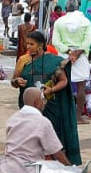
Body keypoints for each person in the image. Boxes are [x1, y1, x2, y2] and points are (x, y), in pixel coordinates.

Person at [13, 30, 80, 164]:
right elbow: (14, 80)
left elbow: (64, 81)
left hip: (51, 107)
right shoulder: (23, 60)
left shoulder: (54, 61)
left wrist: (51, 89)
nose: (28, 47)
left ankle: (55, 163)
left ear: (41, 45)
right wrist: (17, 82)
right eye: (27, 44)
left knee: (52, 136)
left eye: (31, 44)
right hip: (30, 106)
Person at [0, 86, 71, 173]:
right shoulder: (43, 122)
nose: (45, 102)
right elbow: (57, 153)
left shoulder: (13, 119)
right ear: (36, 103)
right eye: (43, 99)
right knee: (58, 171)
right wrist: (71, 169)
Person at [53, 0, 91, 123]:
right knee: (81, 86)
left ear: (66, 8)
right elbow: (88, 41)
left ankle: (62, 115)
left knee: (62, 84)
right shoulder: (85, 21)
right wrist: (78, 52)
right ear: (78, 7)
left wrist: (69, 52)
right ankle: (77, 117)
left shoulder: (59, 22)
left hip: (64, 56)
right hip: (80, 57)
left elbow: (55, 41)